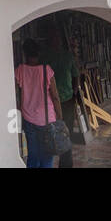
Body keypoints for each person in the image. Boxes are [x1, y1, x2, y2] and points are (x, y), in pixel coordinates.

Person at [15, 38, 63, 168]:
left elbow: (16, 93)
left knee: (33, 154)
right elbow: (55, 97)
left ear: (25, 53)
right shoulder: (46, 70)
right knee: (47, 155)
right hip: (47, 119)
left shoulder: (20, 70)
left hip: (28, 119)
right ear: (39, 53)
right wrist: (59, 116)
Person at [43, 24, 81, 167]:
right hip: (50, 101)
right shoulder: (45, 56)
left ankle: (66, 163)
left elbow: (76, 74)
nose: (56, 40)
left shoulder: (68, 56)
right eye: (53, 38)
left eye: (57, 38)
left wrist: (75, 90)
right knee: (51, 132)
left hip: (67, 99)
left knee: (67, 131)